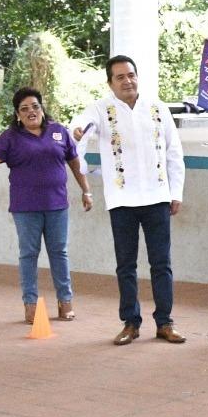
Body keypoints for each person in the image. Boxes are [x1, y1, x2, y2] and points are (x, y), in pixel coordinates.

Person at [73, 55, 186, 345]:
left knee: (161, 263)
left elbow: (174, 153)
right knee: (126, 264)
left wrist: (176, 193)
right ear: (110, 83)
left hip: (157, 196)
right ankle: (130, 322)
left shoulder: (158, 108)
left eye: (131, 75)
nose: (127, 81)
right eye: (120, 77)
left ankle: (165, 322)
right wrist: (78, 140)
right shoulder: (101, 109)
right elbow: (80, 128)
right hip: (121, 199)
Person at [0, 88, 91, 323]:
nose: (31, 112)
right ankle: (30, 305)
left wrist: (86, 190)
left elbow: (75, 162)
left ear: (42, 108)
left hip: (57, 205)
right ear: (17, 114)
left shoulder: (59, 132)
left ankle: (66, 303)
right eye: (24, 109)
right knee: (28, 255)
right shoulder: (11, 137)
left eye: (34, 106)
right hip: (25, 208)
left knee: (59, 253)